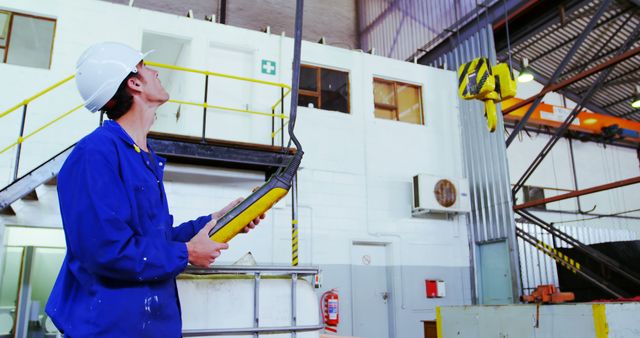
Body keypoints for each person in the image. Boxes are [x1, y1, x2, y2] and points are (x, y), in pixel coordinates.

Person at [45, 42, 264, 337]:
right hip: (109, 328)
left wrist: (217, 220)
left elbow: (155, 240)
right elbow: (106, 250)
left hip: (149, 326)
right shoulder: (94, 154)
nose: (156, 71)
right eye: (146, 67)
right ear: (134, 83)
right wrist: (186, 253)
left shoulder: (142, 156)